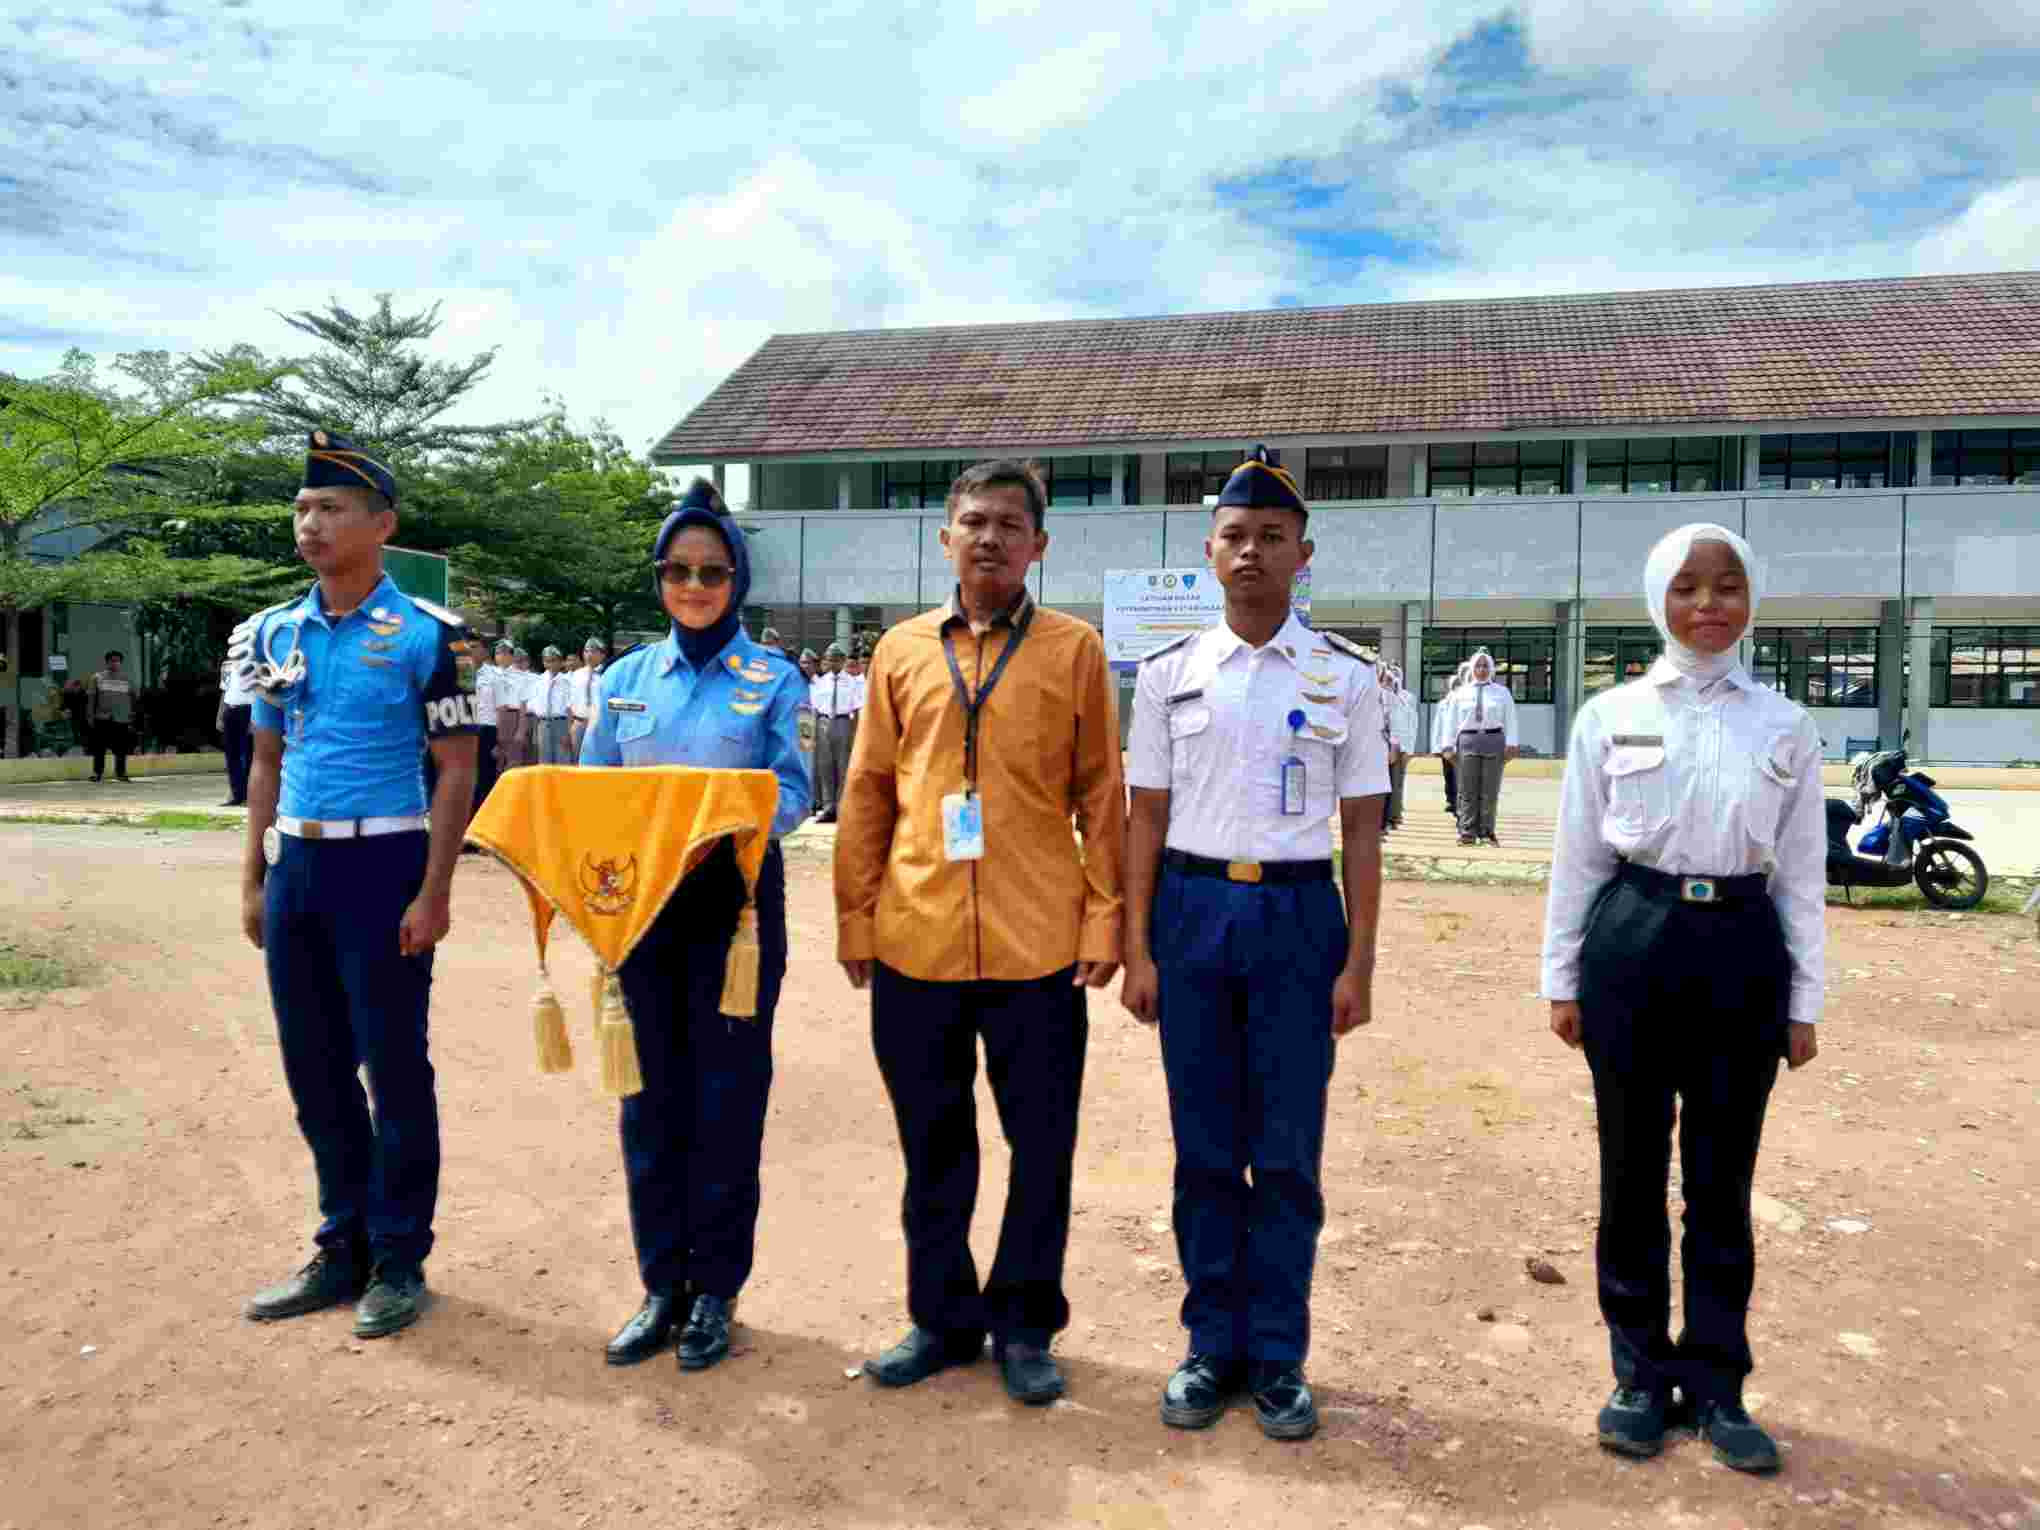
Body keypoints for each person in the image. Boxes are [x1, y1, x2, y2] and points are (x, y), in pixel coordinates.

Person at [836, 458, 1126, 1407]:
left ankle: (1027, 1326)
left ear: (1039, 544)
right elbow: (868, 789)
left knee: (1041, 1148)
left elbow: (1101, 794)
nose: (990, 537)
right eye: (974, 521)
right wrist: (855, 916)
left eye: (1009, 524)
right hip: (914, 936)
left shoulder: (1075, 650)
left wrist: (1105, 917)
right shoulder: (899, 651)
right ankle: (941, 1320)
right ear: (945, 537)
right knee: (933, 1146)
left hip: (1037, 945)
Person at [1541, 522, 1823, 1473]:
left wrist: (1805, 1000)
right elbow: (1578, 858)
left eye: (1728, 586)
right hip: (1634, 938)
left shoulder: (1785, 724)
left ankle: (1718, 1384)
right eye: (1688, 587)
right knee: (1630, 1172)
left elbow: (1802, 875)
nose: (1709, 605)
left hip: (1742, 949)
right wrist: (1561, 977)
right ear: (1658, 598)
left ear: (1752, 600)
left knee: (1721, 1181)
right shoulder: (1609, 714)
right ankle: (1638, 1376)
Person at [1119, 446, 1388, 1441]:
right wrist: (1137, 948)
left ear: (1302, 555)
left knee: (1284, 1155)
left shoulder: (1346, 678)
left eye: (1272, 538)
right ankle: (1209, 1346)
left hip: (1296, 918)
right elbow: (1144, 817)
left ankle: (1276, 1356)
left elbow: (1362, 829)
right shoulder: (1169, 675)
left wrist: (1359, 963)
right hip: (1190, 912)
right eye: (1234, 536)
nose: (1251, 552)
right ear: (1209, 552)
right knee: (1203, 1150)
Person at [235, 430, 479, 1339]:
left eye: (331, 508)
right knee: (314, 1067)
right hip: (297, 867)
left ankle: (399, 1256)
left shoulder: (430, 636)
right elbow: (265, 759)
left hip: (385, 865)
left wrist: (435, 890)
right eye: (302, 508)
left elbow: (457, 768)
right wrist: (254, 879)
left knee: (393, 1065)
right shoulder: (272, 631)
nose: (310, 523)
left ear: (382, 525)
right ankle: (341, 1245)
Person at [581, 478, 811, 1372]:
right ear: (659, 579)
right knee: (648, 1101)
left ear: (736, 579)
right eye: (677, 570)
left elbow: (794, 791)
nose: (695, 585)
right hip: (639, 908)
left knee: (726, 1101)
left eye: (713, 571)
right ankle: (660, 1287)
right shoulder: (623, 681)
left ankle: (715, 1290)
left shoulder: (774, 680)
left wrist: (728, 826)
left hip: (735, 909)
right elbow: (593, 792)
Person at [1438, 649, 1517, 847]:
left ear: (1491, 669)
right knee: (1467, 789)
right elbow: (1451, 721)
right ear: (1472, 669)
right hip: (1467, 741)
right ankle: (1467, 832)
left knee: (1490, 789)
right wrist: (1447, 746)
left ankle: (1487, 831)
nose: (1481, 670)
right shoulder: (1460, 693)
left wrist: (1512, 744)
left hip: (1494, 740)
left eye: (1485, 666)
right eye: (1478, 666)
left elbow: (1511, 719)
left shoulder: (1502, 692)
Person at [810, 641, 860, 823]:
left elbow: (858, 708)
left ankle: (842, 807)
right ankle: (828, 807)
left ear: (843, 660)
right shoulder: (821, 682)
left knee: (843, 766)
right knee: (825, 766)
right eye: (829, 659)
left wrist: (856, 732)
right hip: (824, 723)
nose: (832, 663)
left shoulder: (853, 682)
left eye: (836, 659)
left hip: (843, 722)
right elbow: (815, 709)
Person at [470, 638, 513, 812]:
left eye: (475, 647)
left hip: (486, 730)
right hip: (465, 731)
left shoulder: (494, 675)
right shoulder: (459, 673)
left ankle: (485, 816)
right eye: (468, 646)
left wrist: (500, 740)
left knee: (485, 777)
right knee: (467, 777)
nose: (470, 650)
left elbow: (502, 708)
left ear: (485, 652)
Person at [86, 649, 137, 783]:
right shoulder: (97, 678)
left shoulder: (127, 679)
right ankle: (97, 773)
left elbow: (133, 698)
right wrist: (90, 716)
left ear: (121, 663)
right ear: (107, 662)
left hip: (122, 718)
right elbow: (91, 699)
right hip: (102, 717)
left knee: (121, 748)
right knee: (99, 748)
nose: (115, 663)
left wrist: (132, 716)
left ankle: (121, 773)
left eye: (117, 661)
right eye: (112, 661)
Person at [217, 642, 257, 806]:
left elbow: (258, 692)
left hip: (248, 710)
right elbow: (224, 690)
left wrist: (255, 718)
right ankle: (236, 794)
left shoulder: (255, 664)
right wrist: (220, 715)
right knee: (231, 755)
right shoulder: (227, 665)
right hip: (230, 709)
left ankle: (250, 795)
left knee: (248, 755)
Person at [1381, 663, 1417, 832]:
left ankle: (1394, 816)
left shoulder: (1407, 698)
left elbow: (1412, 724)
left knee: (1396, 783)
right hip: (1382, 743)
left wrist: (1409, 749)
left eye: (1396, 674)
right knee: (1382, 784)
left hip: (1400, 746)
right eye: (1390, 675)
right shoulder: (1380, 696)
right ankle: (1385, 817)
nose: (1393, 677)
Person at [1431, 660, 1468, 817]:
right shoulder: (1444, 703)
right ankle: (1451, 801)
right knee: (1448, 774)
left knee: (1460, 774)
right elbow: (1438, 725)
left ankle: (1460, 803)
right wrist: (1437, 746)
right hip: (1446, 743)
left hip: (1462, 743)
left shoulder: (1466, 698)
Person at [568, 636, 606, 758]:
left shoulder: (607, 674)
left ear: (602, 654)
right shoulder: (576, 675)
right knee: (576, 759)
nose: (589, 655)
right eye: (586, 651)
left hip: (598, 725)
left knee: (596, 760)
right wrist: (570, 726)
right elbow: (570, 702)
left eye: (593, 651)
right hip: (578, 723)